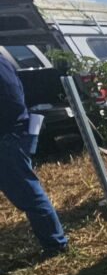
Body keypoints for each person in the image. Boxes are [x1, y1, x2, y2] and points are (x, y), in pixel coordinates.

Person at [0, 55, 67, 259]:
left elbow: (12, 103)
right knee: (26, 190)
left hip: (7, 136)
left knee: (27, 192)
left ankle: (56, 244)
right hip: (10, 133)